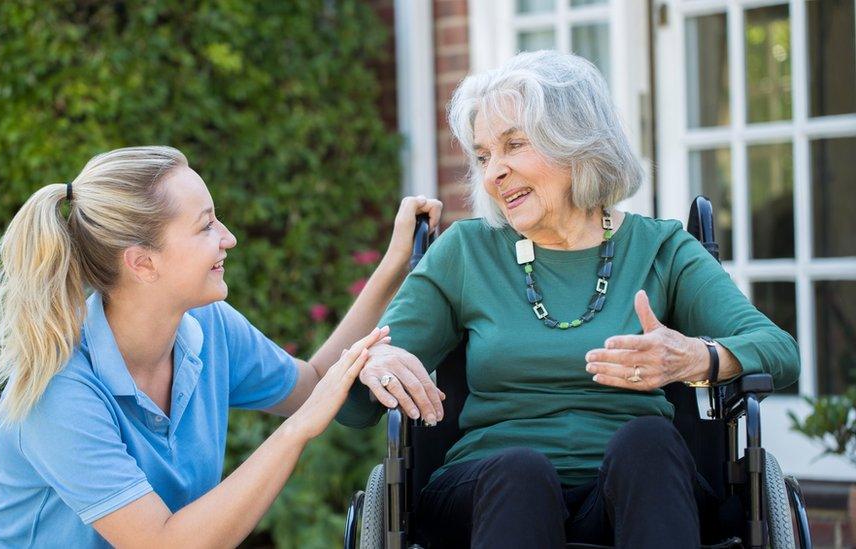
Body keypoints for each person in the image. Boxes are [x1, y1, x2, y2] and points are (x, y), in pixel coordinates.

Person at [337, 50, 800, 548]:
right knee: (521, 472)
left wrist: (699, 357)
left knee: (649, 444)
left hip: (636, 495)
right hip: (490, 495)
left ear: (578, 142)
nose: (494, 173)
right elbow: (355, 409)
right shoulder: (466, 253)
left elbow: (779, 351)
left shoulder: (661, 248)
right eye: (484, 155)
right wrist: (374, 360)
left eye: (514, 144)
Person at [0, 146, 443, 547]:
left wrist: (396, 263)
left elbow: (313, 383)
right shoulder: (59, 390)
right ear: (143, 264)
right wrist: (298, 430)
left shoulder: (206, 327)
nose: (228, 238)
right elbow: (165, 544)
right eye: (206, 225)